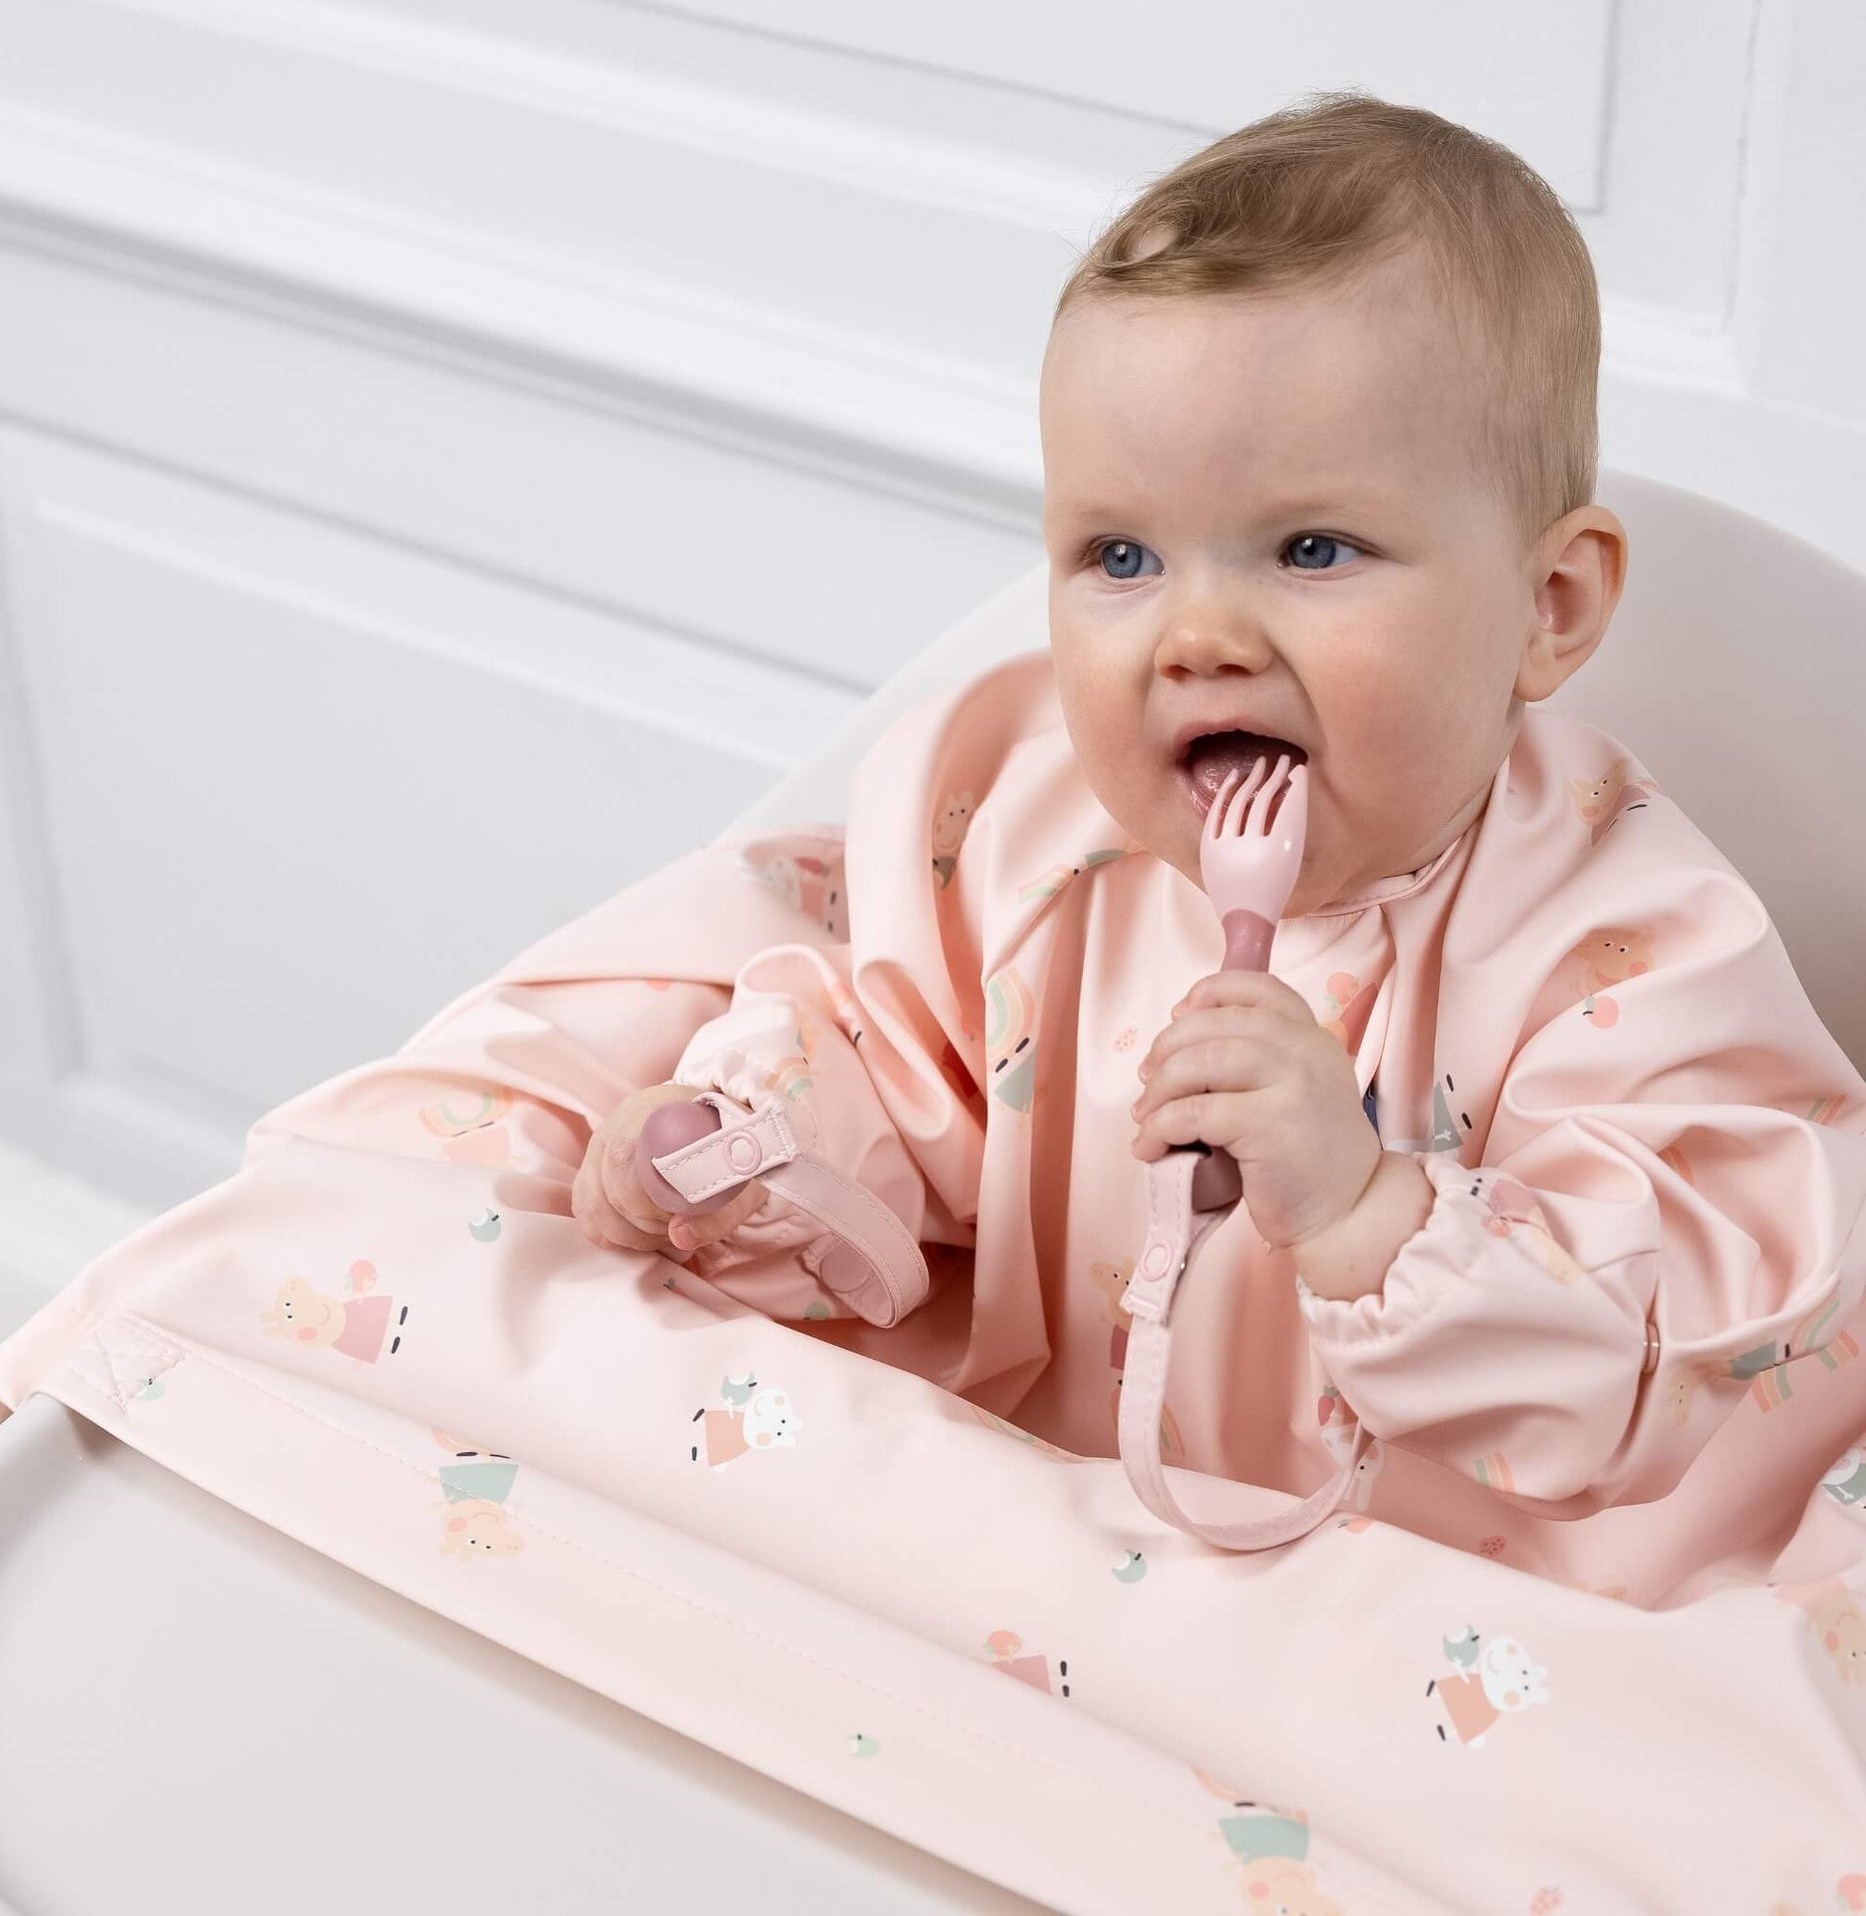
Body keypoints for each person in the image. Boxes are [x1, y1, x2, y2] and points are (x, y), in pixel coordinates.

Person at [566, 91, 1866, 1601]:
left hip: (1447, 1607)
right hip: (1050, 1559)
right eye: (1119, 556)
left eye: (1310, 549)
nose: (1195, 635)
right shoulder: (1024, 832)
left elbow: (1669, 1358)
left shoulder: (1630, 942)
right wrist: (746, 1153)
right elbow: (894, 1057)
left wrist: (1367, 1207)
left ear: (1549, 607)